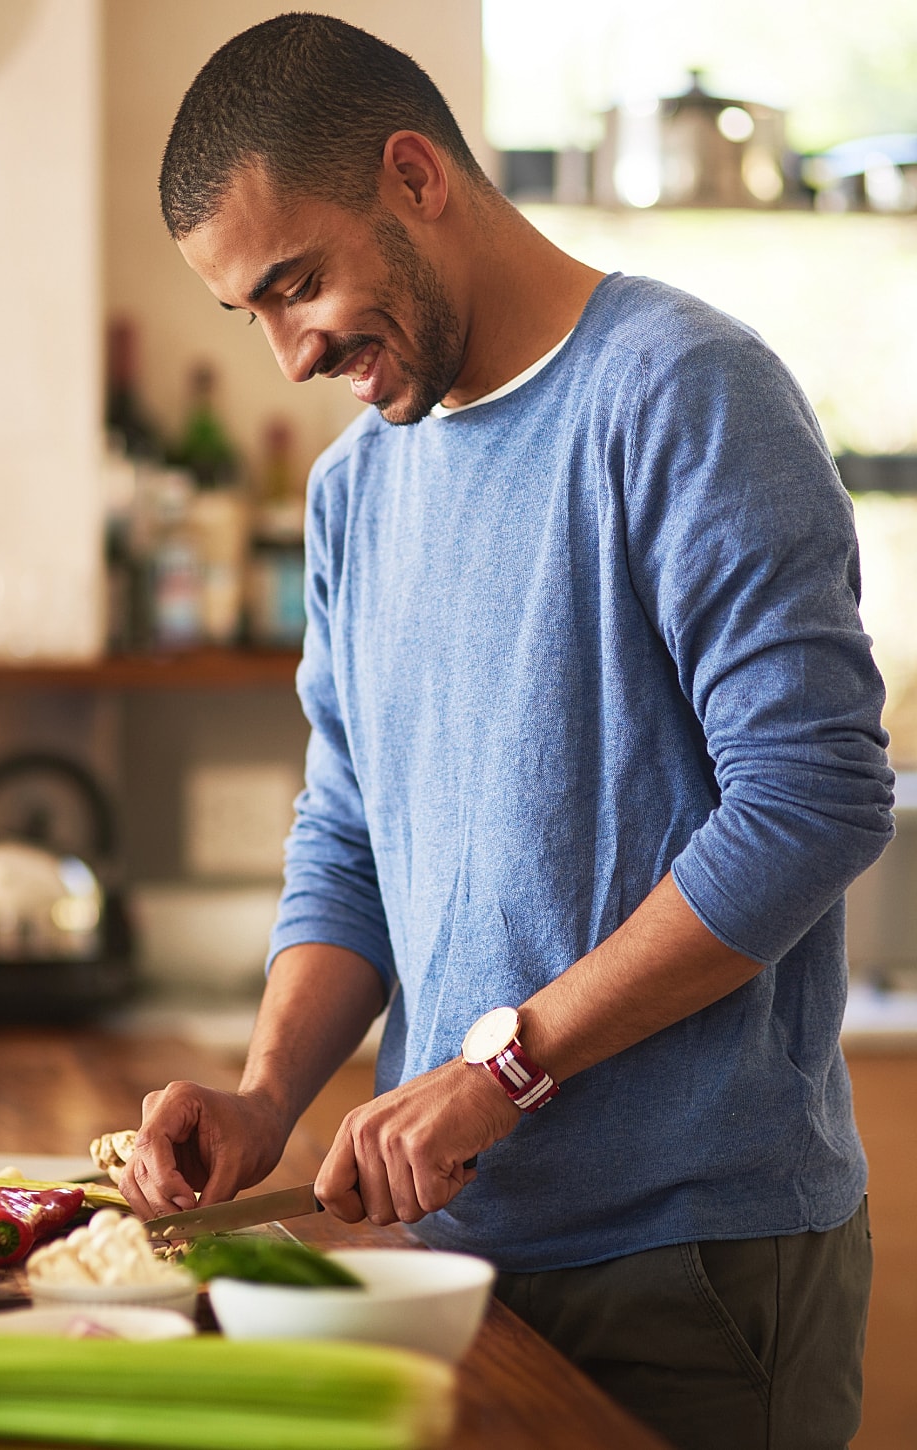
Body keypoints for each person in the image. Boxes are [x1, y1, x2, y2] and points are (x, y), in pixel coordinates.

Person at [118, 15, 895, 1448]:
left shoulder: (684, 394)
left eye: (297, 284)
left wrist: (506, 1068)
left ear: (415, 176)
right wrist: (267, 1091)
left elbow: (815, 797)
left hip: (692, 1260)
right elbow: (350, 834)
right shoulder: (357, 489)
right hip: (457, 1250)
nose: (291, 354)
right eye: (253, 315)